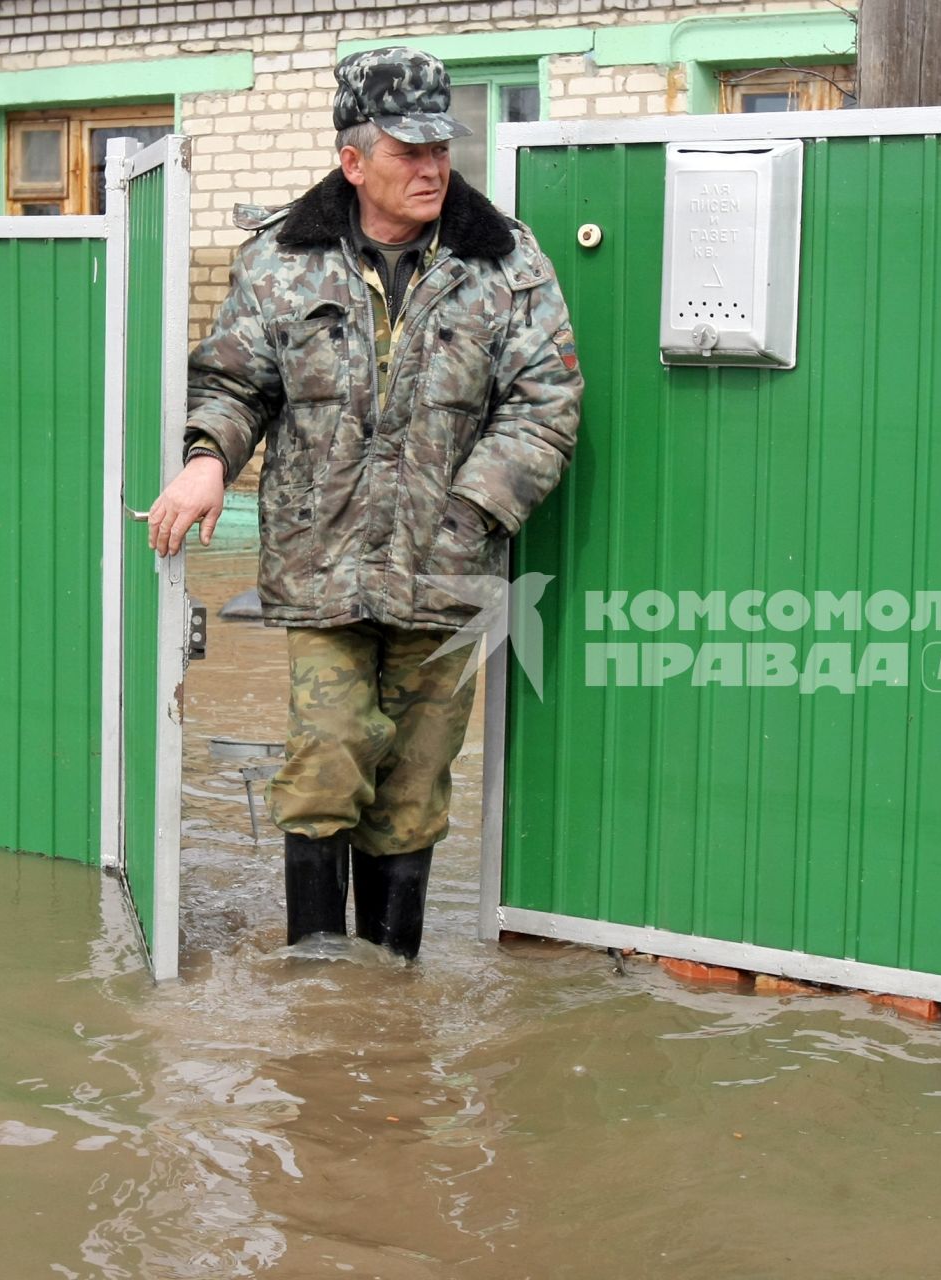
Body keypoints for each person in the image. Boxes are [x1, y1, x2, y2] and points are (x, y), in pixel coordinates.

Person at [147, 46, 583, 960]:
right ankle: (318, 989)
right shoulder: (282, 258)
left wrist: (470, 516)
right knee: (327, 760)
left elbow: (546, 405)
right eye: (407, 151)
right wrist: (206, 460)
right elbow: (236, 385)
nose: (431, 168)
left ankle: (389, 991)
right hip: (325, 566)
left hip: (448, 574)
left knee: (416, 790)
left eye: (441, 149)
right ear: (353, 159)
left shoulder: (504, 262)